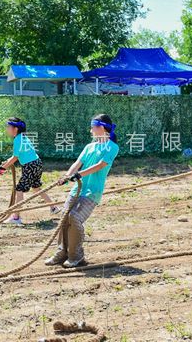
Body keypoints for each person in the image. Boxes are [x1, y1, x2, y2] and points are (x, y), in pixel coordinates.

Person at [45, 114, 119, 268]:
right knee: (64, 218)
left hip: (92, 192)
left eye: (93, 126)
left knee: (74, 217)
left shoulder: (112, 147)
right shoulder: (89, 146)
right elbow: (77, 163)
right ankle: (61, 253)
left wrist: (79, 175)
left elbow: (100, 165)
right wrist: (67, 176)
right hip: (77, 190)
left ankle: (76, 256)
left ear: (101, 128)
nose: (91, 130)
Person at [0, 117, 60, 224]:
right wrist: (5, 164)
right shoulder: (23, 137)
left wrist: (3, 168)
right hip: (37, 163)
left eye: (8, 127)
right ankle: (53, 207)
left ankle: (16, 218)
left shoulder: (18, 140)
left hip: (29, 166)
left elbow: (15, 158)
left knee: (19, 189)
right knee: (36, 187)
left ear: (15, 129)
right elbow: (15, 156)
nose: (7, 129)